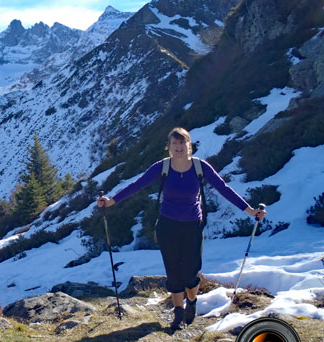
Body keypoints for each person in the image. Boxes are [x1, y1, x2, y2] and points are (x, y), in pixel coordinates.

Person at [96, 127, 266, 330]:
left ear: (189, 146)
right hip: (167, 225)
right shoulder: (162, 167)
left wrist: (249, 210)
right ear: (168, 147)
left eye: (182, 143)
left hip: (193, 225)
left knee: (191, 272)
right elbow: (137, 184)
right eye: (174, 143)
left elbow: (224, 189)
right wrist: (112, 201)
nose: (178, 147)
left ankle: (192, 301)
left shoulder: (200, 167)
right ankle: (178, 313)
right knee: (173, 272)